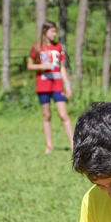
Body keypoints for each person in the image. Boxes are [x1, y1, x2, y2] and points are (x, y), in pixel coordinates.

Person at [27, 20, 73, 153]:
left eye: (55, 31)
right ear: (45, 31)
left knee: (63, 114)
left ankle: (73, 144)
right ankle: (49, 145)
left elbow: (62, 68)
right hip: (43, 86)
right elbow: (29, 65)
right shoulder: (37, 47)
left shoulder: (58, 47)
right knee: (46, 115)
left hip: (57, 85)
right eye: (52, 31)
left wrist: (67, 85)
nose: (55, 34)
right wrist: (41, 66)